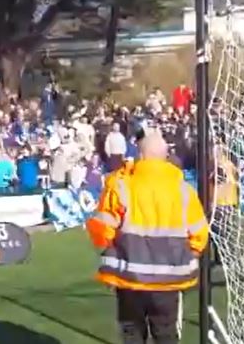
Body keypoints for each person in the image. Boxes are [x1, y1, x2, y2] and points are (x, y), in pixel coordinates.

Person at [86, 131, 210, 344]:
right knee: (166, 335)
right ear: (165, 156)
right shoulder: (184, 191)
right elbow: (199, 235)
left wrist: (111, 250)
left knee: (132, 334)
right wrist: (185, 256)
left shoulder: (120, 185)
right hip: (169, 281)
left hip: (129, 278)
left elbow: (102, 229)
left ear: (141, 155)